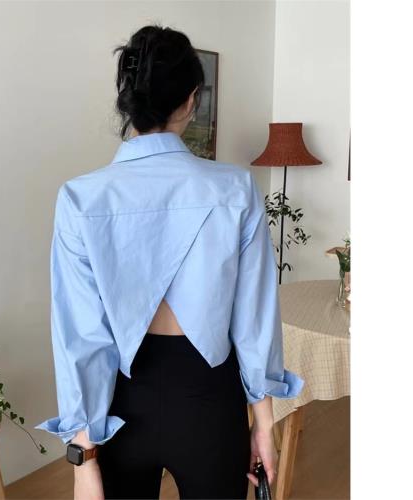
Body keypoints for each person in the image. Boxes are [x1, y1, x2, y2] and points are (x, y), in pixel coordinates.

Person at [35, 24, 305, 500]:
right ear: (191, 100)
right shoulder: (236, 189)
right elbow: (254, 321)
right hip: (209, 402)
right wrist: (264, 425)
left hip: (120, 407)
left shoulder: (79, 199)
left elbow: (81, 339)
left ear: (127, 102)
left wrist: (83, 458)